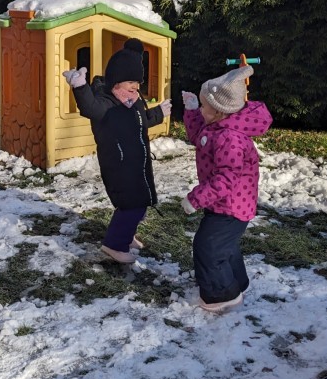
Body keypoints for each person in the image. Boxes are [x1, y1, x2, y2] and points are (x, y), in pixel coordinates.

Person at [63, 38, 172, 264]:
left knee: (139, 204)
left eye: (137, 82)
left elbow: (142, 121)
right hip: (119, 165)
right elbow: (89, 107)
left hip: (137, 164)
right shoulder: (106, 103)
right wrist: (80, 87)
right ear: (116, 81)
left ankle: (126, 234)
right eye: (130, 81)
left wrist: (159, 112)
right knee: (130, 205)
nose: (135, 86)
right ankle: (114, 244)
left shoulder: (133, 101)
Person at [181, 65, 272, 312]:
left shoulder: (229, 138)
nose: (202, 110)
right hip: (225, 203)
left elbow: (225, 178)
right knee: (225, 245)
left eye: (204, 106)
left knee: (208, 247)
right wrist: (192, 110)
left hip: (231, 206)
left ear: (219, 110)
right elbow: (199, 136)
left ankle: (222, 294)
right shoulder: (217, 126)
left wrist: (196, 199)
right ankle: (237, 282)